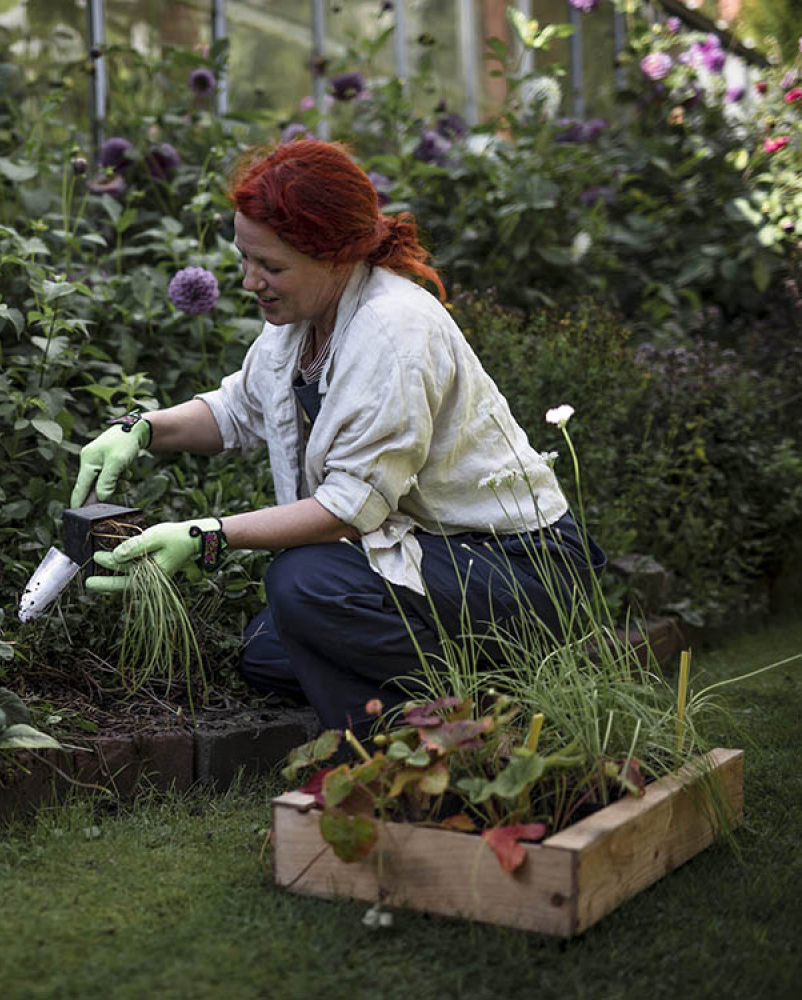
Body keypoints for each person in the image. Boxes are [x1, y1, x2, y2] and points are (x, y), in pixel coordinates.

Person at [69, 140, 605, 738]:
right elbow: (238, 410)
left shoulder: (393, 331)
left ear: (336, 255)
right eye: (245, 259)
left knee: (302, 586)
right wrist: (138, 429)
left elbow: (350, 511)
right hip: (437, 555)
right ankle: (480, 682)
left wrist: (205, 537)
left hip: (514, 566)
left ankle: (417, 737)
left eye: (271, 267)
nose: (250, 282)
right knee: (268, 650)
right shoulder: (303, 321)